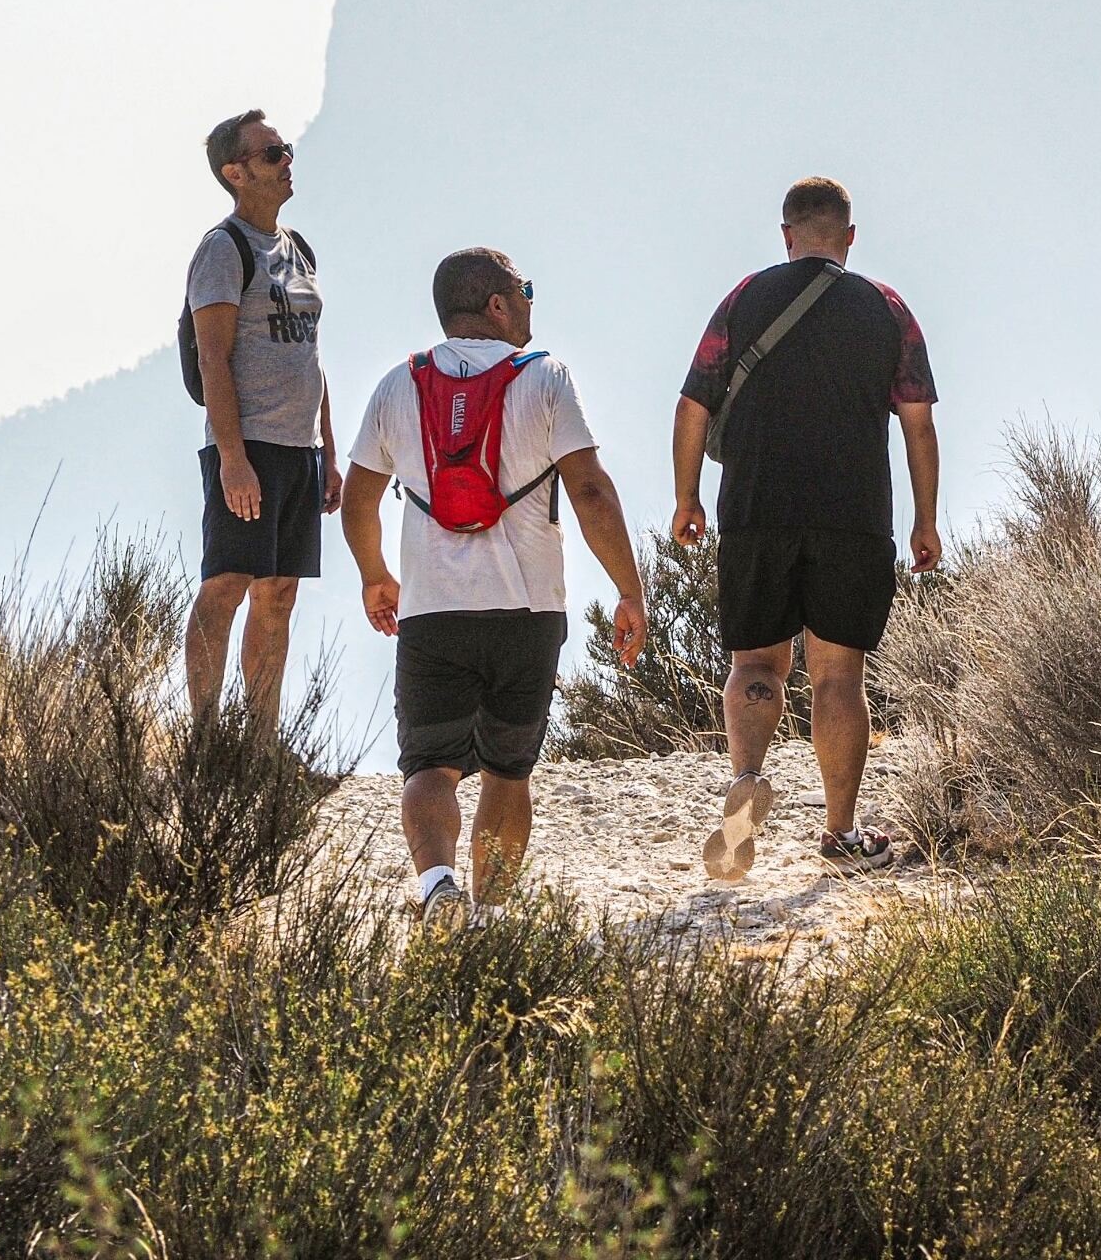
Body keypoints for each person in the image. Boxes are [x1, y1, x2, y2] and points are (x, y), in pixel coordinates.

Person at [340, 248, 648, 928]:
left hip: (433, 611)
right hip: (528, 612)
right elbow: (590, 490)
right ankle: (489, 917)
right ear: (499, 305)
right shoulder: (545, 378)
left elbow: (359, 500)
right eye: (525, 289)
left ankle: (438, 885)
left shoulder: (398, 384)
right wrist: (629, 589)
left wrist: (375, 577)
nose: (532, 301)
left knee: (429, 765)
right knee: (509, 770)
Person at [672, 176, 940, 880]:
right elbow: (917, 422)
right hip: (853, 514)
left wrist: (687, 498)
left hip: (756, 508)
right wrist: (926, 519)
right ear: (849, 238)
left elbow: (694, 405)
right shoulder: (886, 308)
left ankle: (746, 780)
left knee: (755, 665)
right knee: (838, 674)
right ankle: (842, 832)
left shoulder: (743, 299)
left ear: (786, 235)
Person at [183, 109, 339, 734]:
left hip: (301, 450)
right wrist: (232, 459)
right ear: (236, 173)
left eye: (286, 148)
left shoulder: (299, 249)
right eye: (272, 153)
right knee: (226, 584)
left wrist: (329, 452)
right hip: (248, 446)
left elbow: (312, 357)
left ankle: (261, 743)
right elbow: (213, 359)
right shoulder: (222, 250)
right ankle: (204, 737)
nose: (287, 160)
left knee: (279, 592)